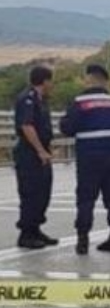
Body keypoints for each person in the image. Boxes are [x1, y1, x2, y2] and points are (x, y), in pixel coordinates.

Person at [59, 64, 110, 255]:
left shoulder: (80, 102)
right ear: (106, 82)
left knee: (86, 199)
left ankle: (82, 241)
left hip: (89, 159)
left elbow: (67, 128)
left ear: (88, 79)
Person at [12, 65, 57, 249]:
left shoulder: (41, 100)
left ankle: (36, 228)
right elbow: (27, 126)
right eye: (50, 81)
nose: (51, 85)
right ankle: (26, 234)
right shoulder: (28, 99)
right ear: (45, 81)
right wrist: (40, 150)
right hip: (29, 153)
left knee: (43, 192)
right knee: (31, 192)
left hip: (41, 151)